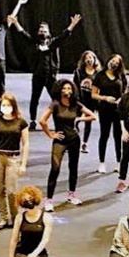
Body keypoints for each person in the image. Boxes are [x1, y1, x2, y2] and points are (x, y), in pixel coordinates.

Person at [9, 12, 82, 129]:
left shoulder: (53, 42)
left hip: (50, 77)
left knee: (56, 100)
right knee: (34, 99)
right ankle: (33, 120)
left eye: (44, 31)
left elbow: (64, 36)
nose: (42, 32)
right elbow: (23, 35)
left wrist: (72, 24)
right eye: (41, 30)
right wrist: (16, 23)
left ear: (48, 33)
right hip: (38, 76)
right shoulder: (34, 42)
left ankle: (60, 120)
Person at [39, 79, 97, 211]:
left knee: (73, 167)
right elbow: (42, 121)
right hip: (60, 141)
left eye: (69, 88)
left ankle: (72, 194)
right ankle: (49, 200)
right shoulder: (55, 104)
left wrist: (80, 119)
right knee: (55, 169)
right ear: (60, 90)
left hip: (74, 140)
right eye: (64, 88)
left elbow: (93, 116)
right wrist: (51, 134)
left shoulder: (76, 104)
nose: (67, 91)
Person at [0, 94, 30, 229]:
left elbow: (26, 143)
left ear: (13, 106)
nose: (6, 107)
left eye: (8, 105)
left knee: (11, 191)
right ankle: (4, 218)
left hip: (13, 158)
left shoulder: (21, 122)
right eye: (3, 105)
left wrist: (23, 164)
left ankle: (15, 218)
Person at [93, 54, 127, 173]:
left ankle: (119, 162)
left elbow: (126, 92)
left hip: (118, 110)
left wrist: (121, 100)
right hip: (104, 109)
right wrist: (105, 98)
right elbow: (93, 94)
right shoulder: (100, 75)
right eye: (112, 61)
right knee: (104, 135)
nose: (113, 64)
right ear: (108, 60)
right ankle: (102, 162)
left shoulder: (121, 76)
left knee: (118, 135)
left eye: (116, 63)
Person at [73, 50, 101, 154]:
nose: (89, 60)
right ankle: (71, 141)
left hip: (91, 101)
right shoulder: (78, 72)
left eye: (90, 57)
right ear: (83, 60)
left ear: (94, 59)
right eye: (86, 58)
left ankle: (84, 143)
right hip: (80, 100)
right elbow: (75, 86)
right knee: (73, 120)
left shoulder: (98, 73)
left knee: (88, 123)